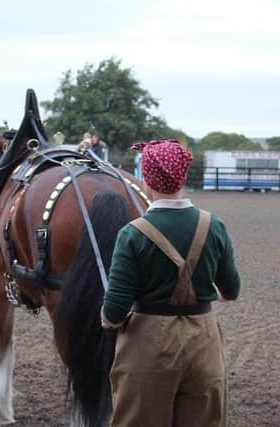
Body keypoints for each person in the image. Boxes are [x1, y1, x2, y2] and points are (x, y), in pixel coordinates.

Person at [101, 139, 241, 427]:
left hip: (148, 344)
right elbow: (232, 290)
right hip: (204, 342)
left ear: (146, 180)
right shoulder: (214, 226)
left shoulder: (132, 234)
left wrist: (107, 319)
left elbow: (115, 310)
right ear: (184, 176)